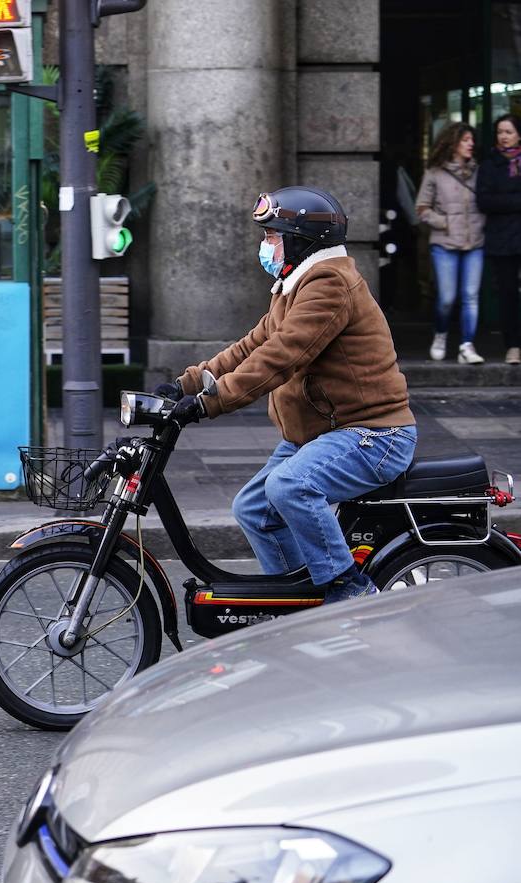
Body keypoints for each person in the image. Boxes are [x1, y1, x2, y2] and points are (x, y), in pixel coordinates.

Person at [156, 186, 417, 605]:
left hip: (373, 436)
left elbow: (281, 357)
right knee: (253, 510)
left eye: (272, 236)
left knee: (290, 486)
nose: (265, 246)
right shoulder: (293, 285)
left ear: (302, 240)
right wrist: (184, 385)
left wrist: (209, 402)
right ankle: (298, 603)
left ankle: (349, 591)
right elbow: (250, 346)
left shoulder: (330, 284)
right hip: (320, 435)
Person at [416, 122, 486, 364]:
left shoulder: (479, 171)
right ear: (453, 143)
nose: (471, 144)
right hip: (444, 243)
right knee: (446, 298)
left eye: (472, 140)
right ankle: (441, 334)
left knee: (470, 296)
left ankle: (467, 345)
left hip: (475, 242)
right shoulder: (435, 172)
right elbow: (422, 208)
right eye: (466, 140)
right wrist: (444, 223)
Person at [476, 114, 521, 365]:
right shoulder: (489, 165)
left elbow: (496, 200)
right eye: (500, 132)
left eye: (509, 131)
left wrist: (504, 202)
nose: (504, 136)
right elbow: (484, 201)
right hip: (502, 240)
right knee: (507, 296)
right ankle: (513, 345)